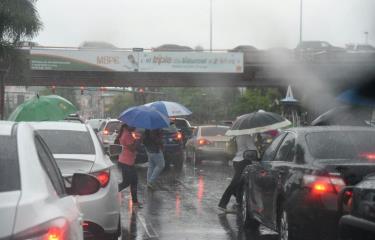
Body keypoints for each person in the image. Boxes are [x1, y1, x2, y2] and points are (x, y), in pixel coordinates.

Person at [218, 134, 257, 213]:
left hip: (236, 160)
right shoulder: (246, 136)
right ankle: (222, 203)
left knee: (240, 184)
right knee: (235, 183)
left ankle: (239, 204)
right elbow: (253, 149)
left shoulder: (238, 135)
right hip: (243, 161)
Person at [116, 123, 142, 208]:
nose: (134, 127)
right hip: (126, 162)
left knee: (132, 181)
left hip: (127, 161)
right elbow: (132, 148)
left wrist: (136, 139)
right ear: (128, 126)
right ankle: (111, 192)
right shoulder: (126, 135)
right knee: (127, 182)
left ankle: (135, 202)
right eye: (133, 126)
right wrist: (138, 140)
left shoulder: (126, 133)